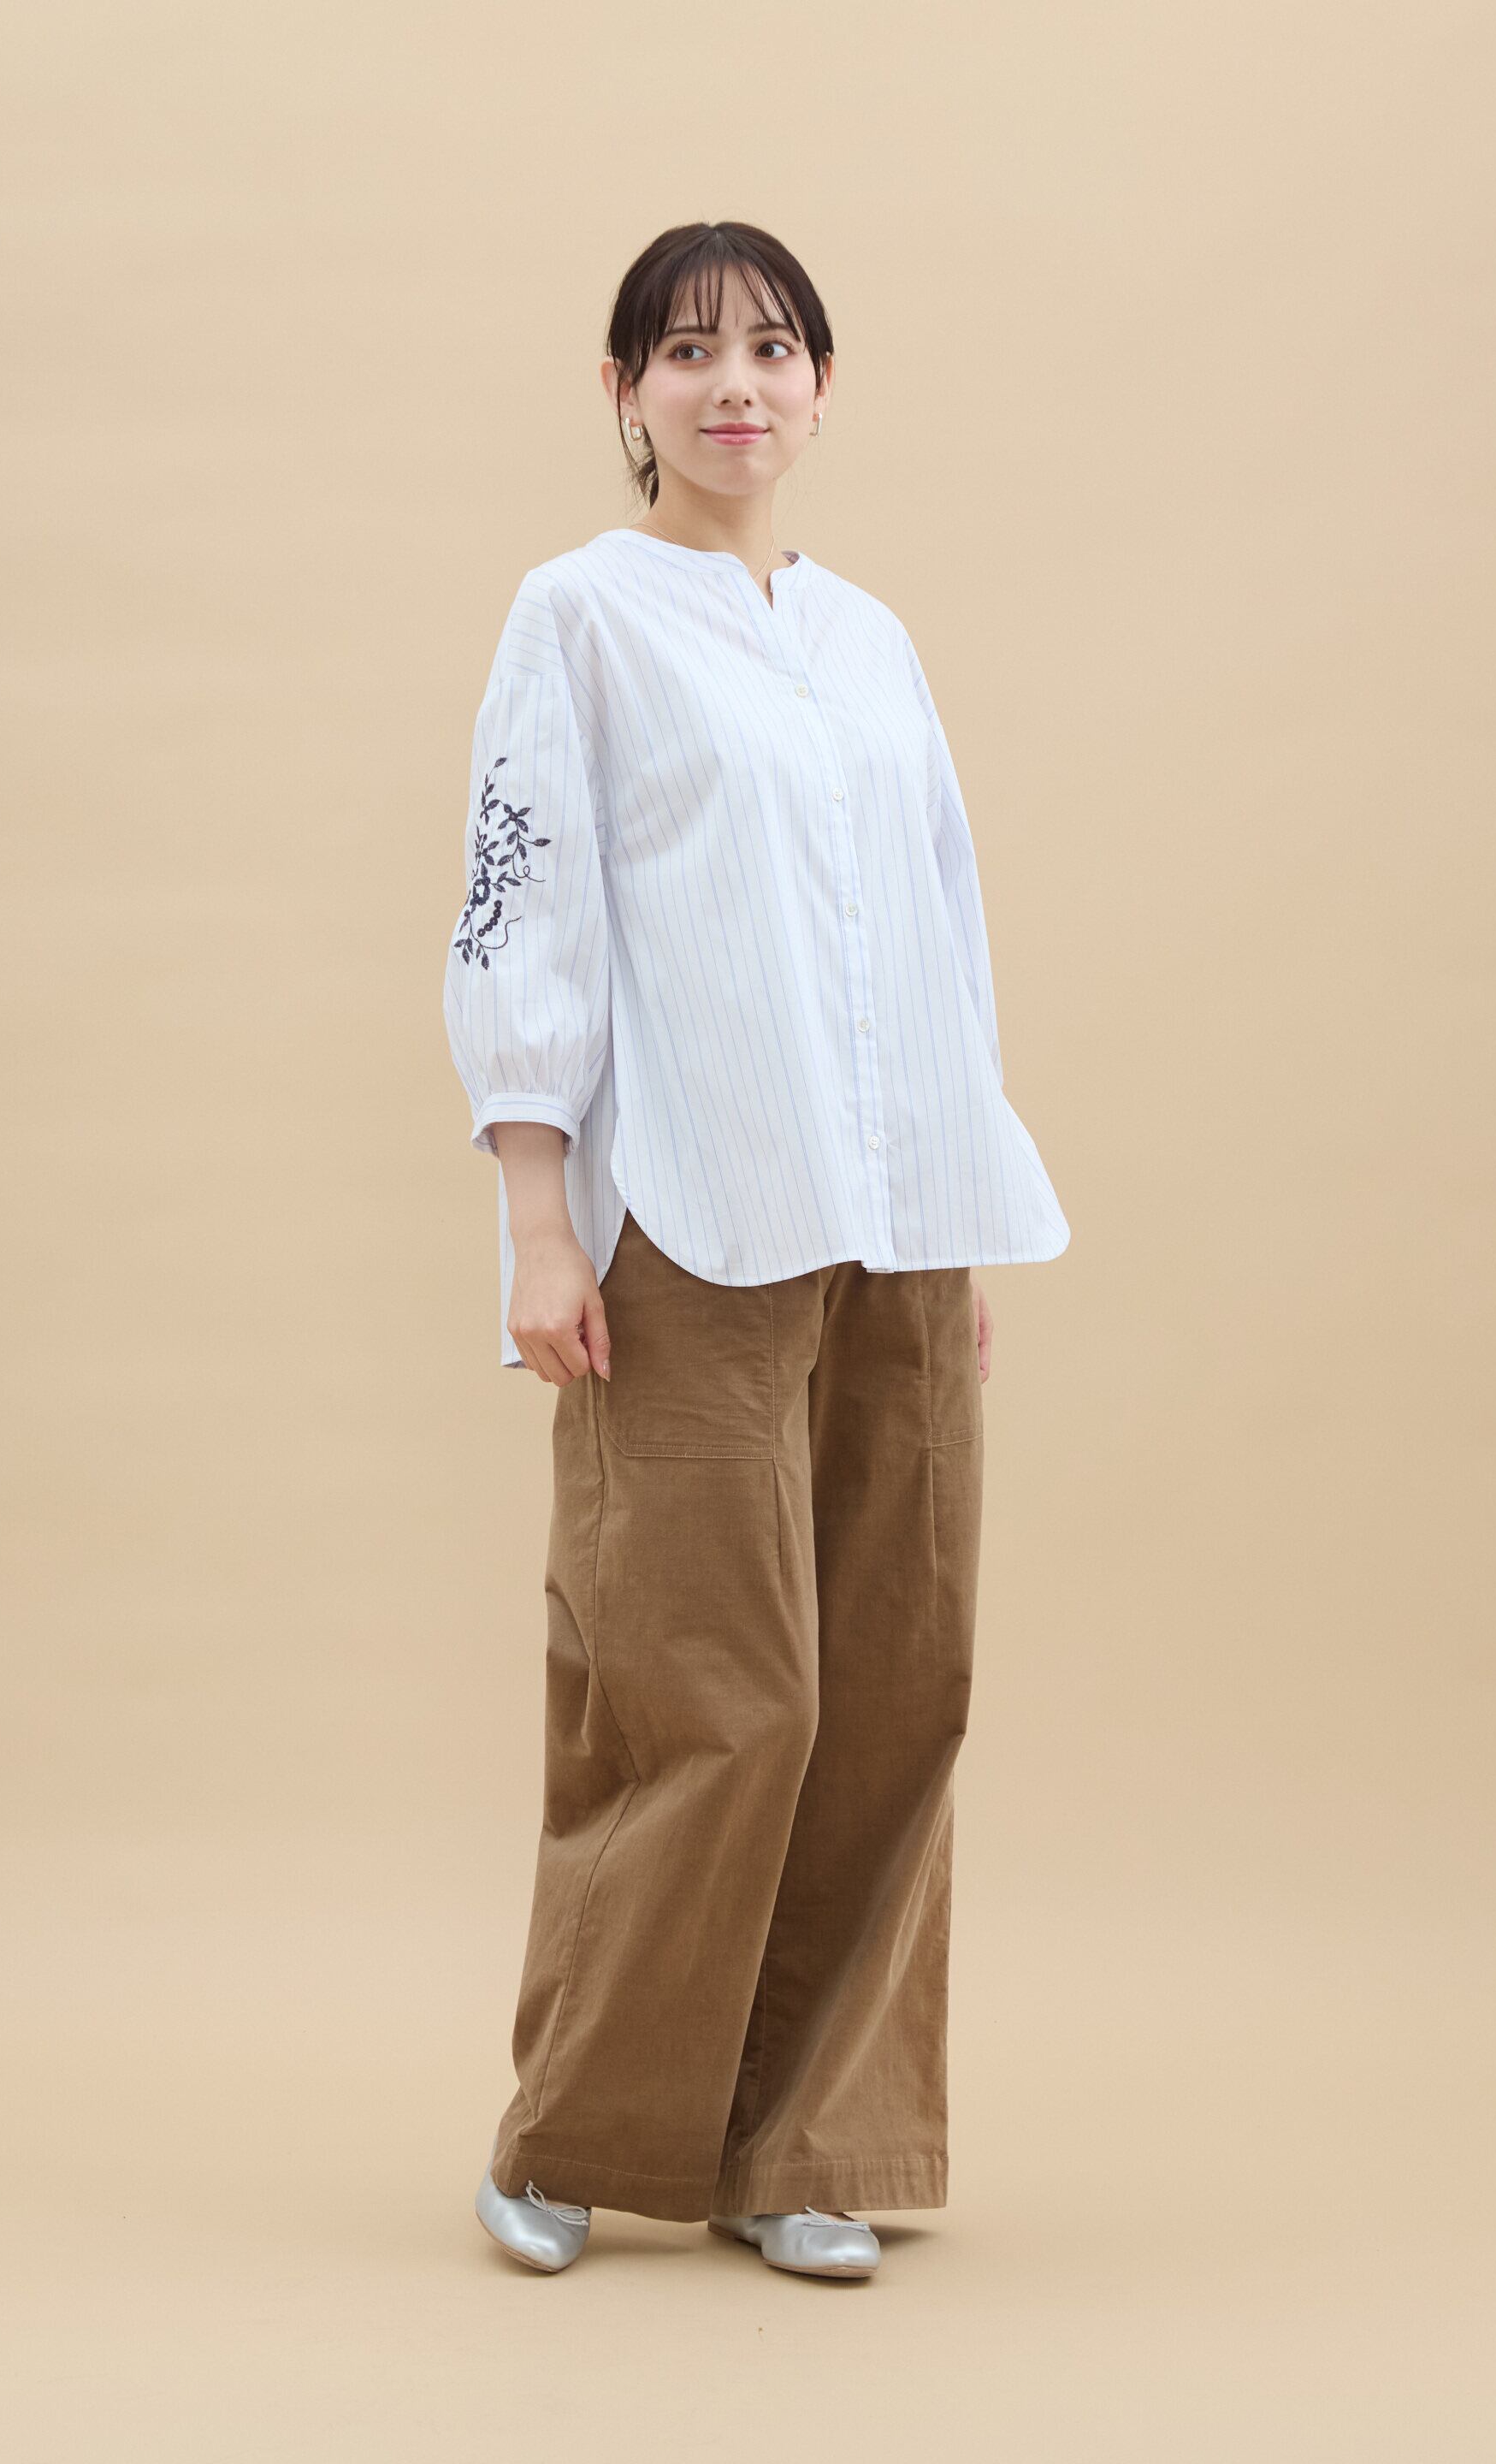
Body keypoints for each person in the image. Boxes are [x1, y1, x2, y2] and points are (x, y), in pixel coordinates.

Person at [442, 221, 1071, 2282]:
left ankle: (808, 2147)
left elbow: (939, 934)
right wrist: (538, 1214)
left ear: (822, 387)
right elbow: (523, 909)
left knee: (897, 1682)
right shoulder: (580, 616)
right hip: (689, 1220)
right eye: (691, 350)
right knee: (713, 1689)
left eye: (776, 348)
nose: (738, 384)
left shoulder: (871, 641)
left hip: (895, 1222)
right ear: (625, 392)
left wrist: (960, 1210)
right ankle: (576, 2129)